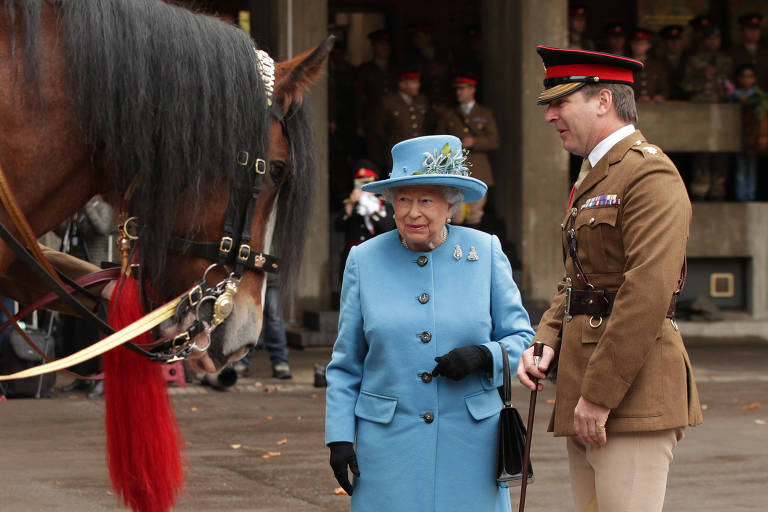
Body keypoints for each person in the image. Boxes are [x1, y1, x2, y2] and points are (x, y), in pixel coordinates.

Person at [517, 46, 703, 512]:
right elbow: (578, 279)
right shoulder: (595, 175)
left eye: (561, 102)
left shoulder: (648, 172)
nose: (550, 116)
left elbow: (648, 291)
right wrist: (547, 337)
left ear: (603, 101)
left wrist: (598, 396)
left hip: (629, 395)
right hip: (591, 387)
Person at [325, 134, 534, 511]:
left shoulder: (484, 252)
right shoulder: (363, 259)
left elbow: (522, 338)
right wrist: (339, 437)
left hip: (472, 444)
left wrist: (484, 356)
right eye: (403, 199)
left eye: (426, 200)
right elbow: (346, 362)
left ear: (450, 204)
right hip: (387, 445)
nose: (412, 212)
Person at [436, 73, 500, 226]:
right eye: (457, 89)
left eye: (463, 89)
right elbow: (439, 140)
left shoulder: (484, 113)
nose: (459, 92)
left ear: (472, 90)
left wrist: (475, 141)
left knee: (475, 214)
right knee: (454, 214)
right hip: (455, 169)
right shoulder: (450, 115)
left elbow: (494, 141)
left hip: (478, 170)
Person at [682, 25, 733, 200]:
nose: (713, 42)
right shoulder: (694, 61)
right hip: (700, 109)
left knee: (721, 150)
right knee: (701, 150)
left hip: (722, 110)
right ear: (703, 41)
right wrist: (703, 77)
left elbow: (732, 86)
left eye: (716, 38)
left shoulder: (726, 60)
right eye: (710, 39)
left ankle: (718, 189)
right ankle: (700, 189)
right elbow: (685, 85)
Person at [333, 160, 395, 279]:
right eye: (360, 184)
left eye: (367, 183)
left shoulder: (384, 204)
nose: (363, 189)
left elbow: (387, 227)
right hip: (352, 258)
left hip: (378, 257)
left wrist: (370, 208)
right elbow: (337, 226)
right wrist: (351, 205)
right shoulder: (350, 202)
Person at [373, 68, 429, 168]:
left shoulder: (422, 100)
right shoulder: (389, 102)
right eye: (413, 82)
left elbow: (427, 125)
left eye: (418, 82)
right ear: (402, 84)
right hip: (399, 155)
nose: (418, 85)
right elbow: (379, 130)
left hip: (421, 154)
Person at [729, 64, 760, 201]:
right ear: (739, 79)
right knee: (741, 168)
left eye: (750, 77)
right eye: (744, 77)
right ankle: (741, 196)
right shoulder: (734, 94)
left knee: (752, 168)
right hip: (737, 135)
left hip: (753, 137)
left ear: (754, 79)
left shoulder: (759, 96)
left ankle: (750, 195)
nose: (747, 80)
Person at [730, 13, 768, 89]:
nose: (754, 32)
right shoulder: (734, 53)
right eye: (750, 28)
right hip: (741, 96)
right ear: (743, 31)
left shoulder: (765, 52)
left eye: (756, 29)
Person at [628, 28, 668, 102]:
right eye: (636, 43)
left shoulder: (657, 64)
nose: (638, 46)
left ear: (648, 46)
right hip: (632, 105)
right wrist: (636, 97)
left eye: (642, 44)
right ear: (631, 45)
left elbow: (665, 87)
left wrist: (661, 96)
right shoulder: (626, 64)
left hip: (654, 106)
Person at [659, 25, 687, 100]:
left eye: (677, 40)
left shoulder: (688, 59)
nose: (674, 43)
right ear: (665, 43)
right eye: (671, 40)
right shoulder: (658, 61)